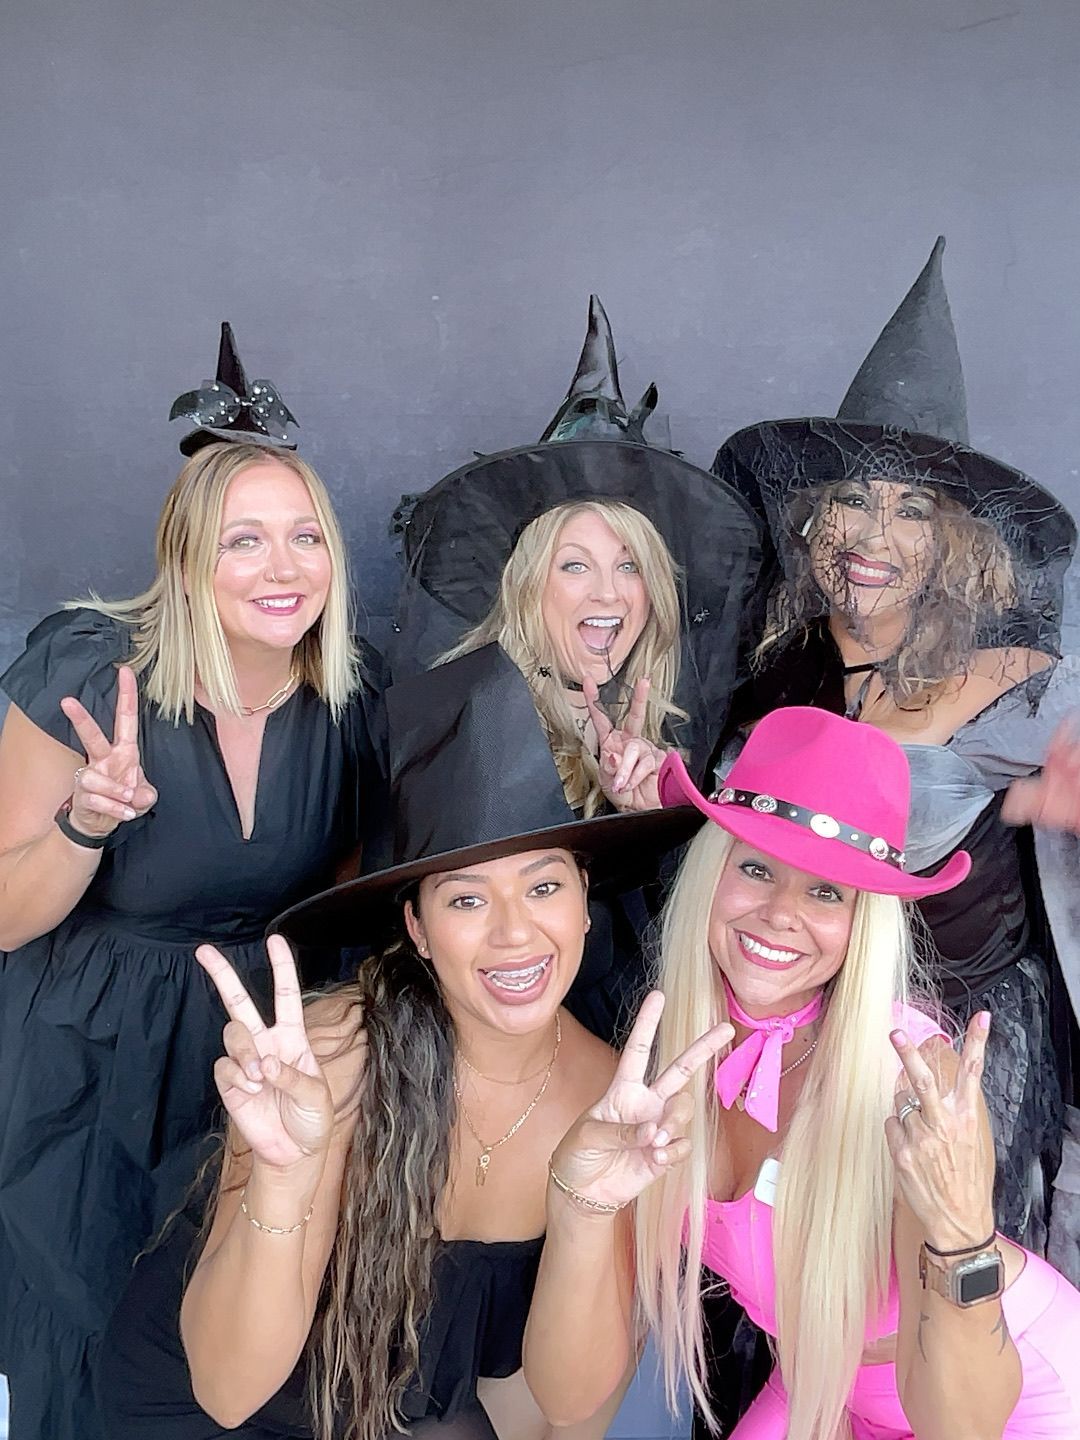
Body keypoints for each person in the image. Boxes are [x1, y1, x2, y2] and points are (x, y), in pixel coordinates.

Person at [96, 643, 719, 1440]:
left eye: (543, 885)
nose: (515, 933)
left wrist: (587, 1211)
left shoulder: (610, 1105)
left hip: (386, 1407)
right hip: (210, 1403)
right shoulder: (335, 1059)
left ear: (583, 898)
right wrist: (283, 1178)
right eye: (466, 900)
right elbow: (227, 1392)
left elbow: (571, 1409)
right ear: (418, 930)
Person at [0, 329, 386, 1440]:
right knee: (82, 1338)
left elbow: (351, 901)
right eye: (244, 541)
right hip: (92, 1061)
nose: (283, 568)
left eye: (305, 537)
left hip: (256, 1059)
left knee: (229, 1341)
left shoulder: (352, 697)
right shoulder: (89, 668)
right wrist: (85, 824)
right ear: (185, 559)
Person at [526, 707, 1080, 1439]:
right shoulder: (671, 1061)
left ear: (863, 921)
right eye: (757, 868)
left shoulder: (910, 1080)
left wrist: (961, 1235)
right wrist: (581, 1209)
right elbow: (566, 1400)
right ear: (711, 873)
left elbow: (960, 1426)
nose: (781, 913)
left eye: (826, 891)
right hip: (823, 1380)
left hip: (1008, 1400)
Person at [711, 237, 1079, 1256]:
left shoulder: (1016, 681)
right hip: (795, 1051)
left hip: (954, 1061)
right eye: (852, 500)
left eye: (911, 509)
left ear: (952, 540)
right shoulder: (771, 670)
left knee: (929, 1301)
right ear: (810, 519)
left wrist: (1056, 802)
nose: (874, 536)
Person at [390, 293, 764, 815]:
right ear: (526, 584)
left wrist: (646, 812)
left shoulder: (672, 726)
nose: (609, 593)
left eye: (629, 565)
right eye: (575, 565)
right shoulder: (467, 723)